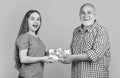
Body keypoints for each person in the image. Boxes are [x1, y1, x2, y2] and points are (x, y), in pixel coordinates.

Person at [60, 3, 111, 78]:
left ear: (95, 15)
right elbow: (72, 52)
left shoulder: (101, 31)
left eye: (89, 12)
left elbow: (95, 55)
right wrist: (61, 55)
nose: (85, 15)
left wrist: (72, 57)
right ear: (79, 15)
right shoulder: (76, 31)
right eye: (82, 13)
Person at [14, 10, 53, 78]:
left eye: (38, 19)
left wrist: (52, 54)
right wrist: (42, 58)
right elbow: (23, 59)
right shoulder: (24, 37)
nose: (36, 21)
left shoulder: (37, 38)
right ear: (27, 21)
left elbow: (37, 53)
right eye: (32, 19)